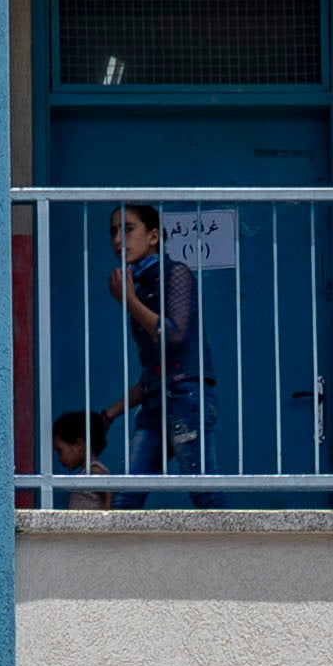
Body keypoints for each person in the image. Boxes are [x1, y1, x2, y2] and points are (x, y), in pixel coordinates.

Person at [106, 203, 206, 483]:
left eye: (127, 229)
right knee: (126, 497)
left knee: (204, 491)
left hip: (185, 397)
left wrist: (130, 303)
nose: (117, 239)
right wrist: (109, 414)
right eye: (113, 232)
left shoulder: (176, 273)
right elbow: (155, 369)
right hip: (155, 402)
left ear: (153, 236)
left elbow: (173, 336)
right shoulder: (141, 284)